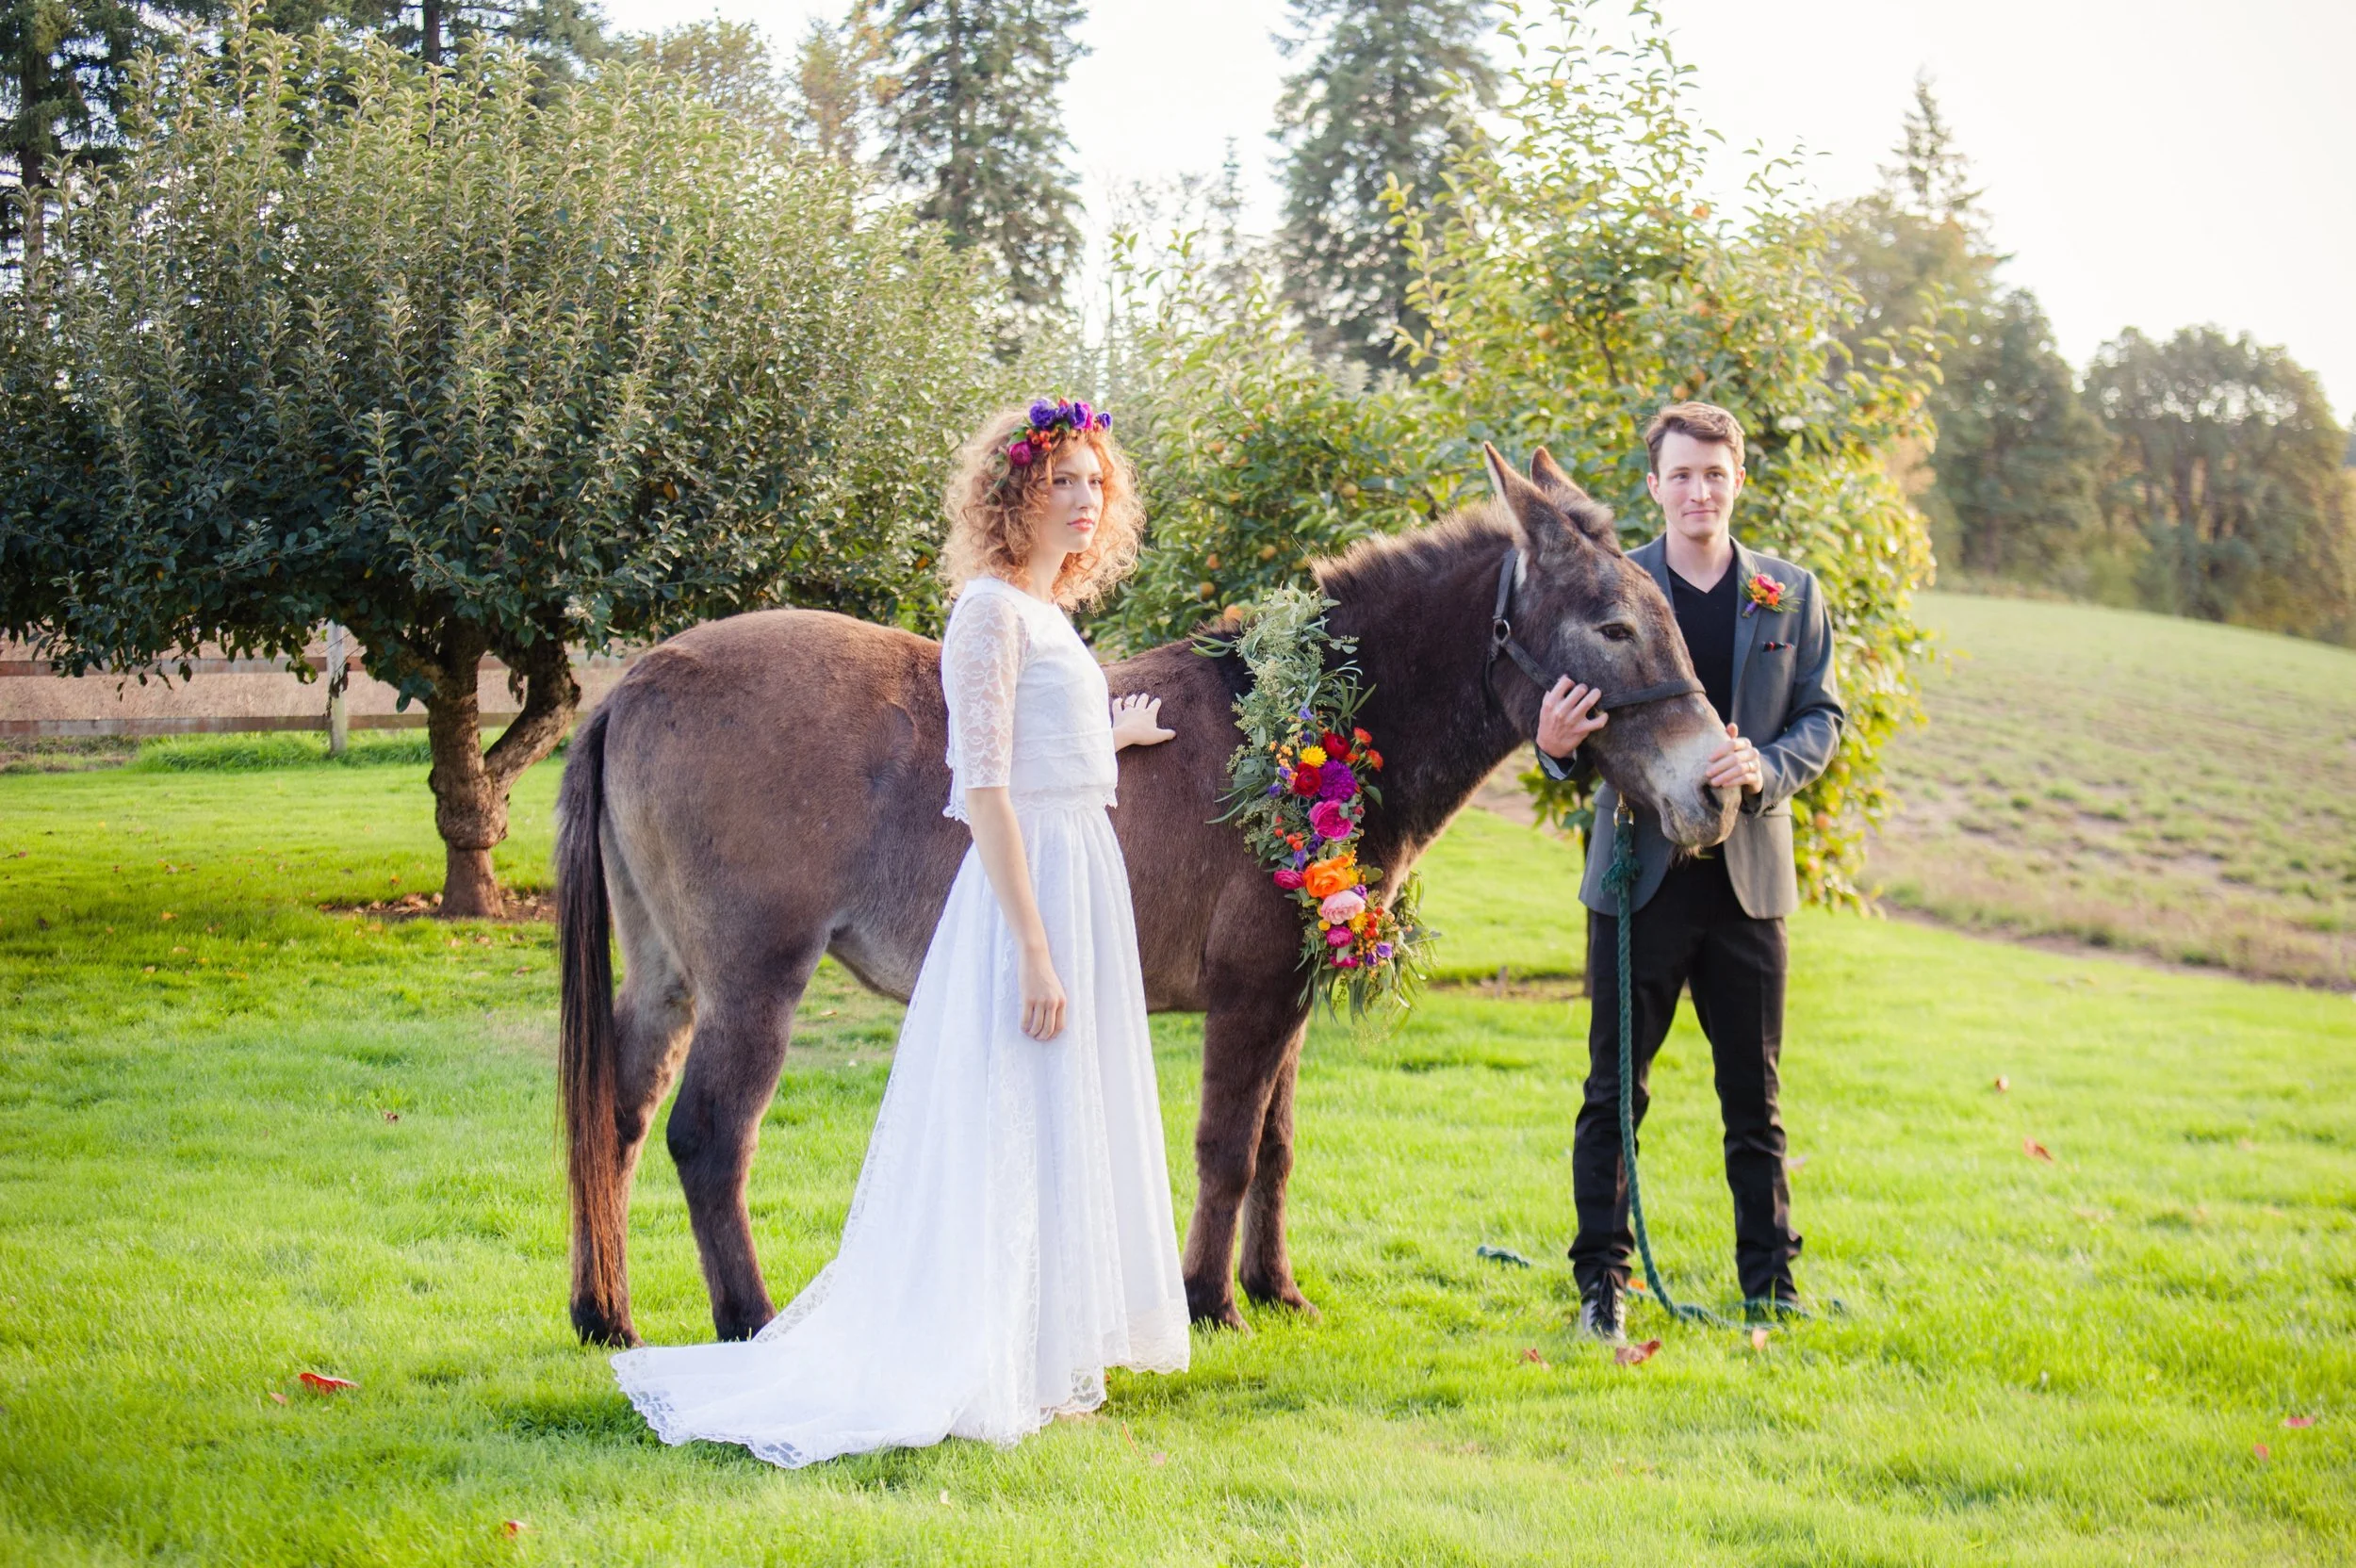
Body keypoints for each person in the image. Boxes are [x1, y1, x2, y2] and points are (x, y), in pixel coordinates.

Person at [612, 399, 1190, 1466]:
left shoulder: (1051, 615)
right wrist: (1029, 944)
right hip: (1030, 888)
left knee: (1057, 1110)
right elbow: (983, 780)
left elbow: (1037, 735)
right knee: (1008, 1105)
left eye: (1093, 482)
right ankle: (964, 1348)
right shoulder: (988, 612)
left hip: (1074, 866)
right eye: (1059, 478)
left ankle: (1037, 1341)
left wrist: (1112, 731)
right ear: (1012, 495)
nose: (1080, 497)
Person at [1532, 401, 1843, 1341]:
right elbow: (1568, 728)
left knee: (1755, 1098)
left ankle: (1771, 1288)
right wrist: (1551, 747)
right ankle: (1601, 1290)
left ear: (1735, 479)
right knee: (1611, 1094)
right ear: (1655, 485)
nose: (1697, 490)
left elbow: (1821, 717)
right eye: (1680, 474)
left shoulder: (1790, 594)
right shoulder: (1611, 593)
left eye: (1714, 473)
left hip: (1748, 885)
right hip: (1638, 881)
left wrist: (1768, 766)